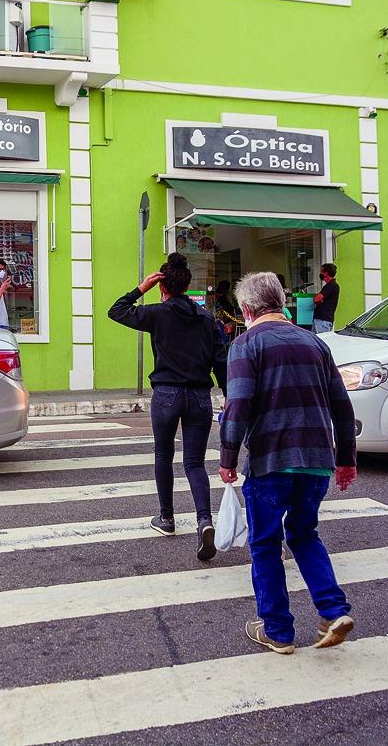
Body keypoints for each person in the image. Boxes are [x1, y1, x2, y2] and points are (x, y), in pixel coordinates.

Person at [218, 272, 358, 655]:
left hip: (271, 460)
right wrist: (345, 459)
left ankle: (278, 630)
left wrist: (228, 458)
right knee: (304, 534)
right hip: (316, 462)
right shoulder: (315, 343)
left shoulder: (246, 344)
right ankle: (333, 610)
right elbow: (342, 406)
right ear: (281, 302)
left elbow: (239, 404)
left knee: (265, 543)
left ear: (246, 309)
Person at [108, 253, 227, 562]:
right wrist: (228, 394)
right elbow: (221, 361)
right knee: (195, 463)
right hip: (200, 395)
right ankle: (205, 520)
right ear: (186, 285)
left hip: (167, 394)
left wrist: (141, 287)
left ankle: (167, 519)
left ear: (163, 284)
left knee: (163, 454)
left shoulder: (157, 313)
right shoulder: (206, 318)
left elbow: (116, 311)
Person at [312, 263, 340, 334]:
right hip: (322, 320)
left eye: (322, 271)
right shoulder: (330, 285)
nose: (320, 273)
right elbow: (319, 299)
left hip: (323, 321)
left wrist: (319, 299)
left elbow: (316, 299)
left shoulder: (331, 285)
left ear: (326, 273)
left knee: (320, 342)